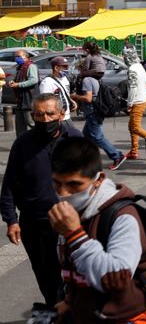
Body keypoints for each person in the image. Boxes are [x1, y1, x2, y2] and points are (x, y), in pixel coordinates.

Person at [49, 136, 146, 323]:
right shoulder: (72, 213)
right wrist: (70, 301)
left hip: (127, 317)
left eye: (74, 185)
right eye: (57, 183)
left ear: (98, 180)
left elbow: (117, 278)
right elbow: (73, 268)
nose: (63, 194)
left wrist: (74, 235)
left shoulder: (123, 216)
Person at [0, 94, 81, 320]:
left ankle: (68, 312)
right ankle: (56, 310)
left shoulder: (75, 139)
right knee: (45, 275)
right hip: (35, 223)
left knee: (72, 276)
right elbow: (9, 185)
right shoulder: (23, 144)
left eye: (50, 114)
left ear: (61, 114)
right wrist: (11, 220)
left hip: (71, 222)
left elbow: (93, 180)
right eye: (38, 114)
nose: (44, 119)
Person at [70, 69, 126, 171]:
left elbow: (88, 98)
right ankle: (85, 160)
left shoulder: (87, 80)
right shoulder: (94, 79)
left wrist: (75, 96)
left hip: (93, 112)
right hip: (95, 111)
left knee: (98, 137)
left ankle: (117, 156)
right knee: (86, 138)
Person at [122, 46, 146, 160]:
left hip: (137, 101)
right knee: (132, 126)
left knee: (135, 128)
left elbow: (133, 88)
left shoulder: (132, 70)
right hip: (142, 99)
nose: (124, 58)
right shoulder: (140, 66)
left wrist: (129, 103)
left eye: (125, 56)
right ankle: (134, 151)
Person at [8, 49, 38, 136]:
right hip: (20, 100)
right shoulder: (19, 67)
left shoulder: (31, 66)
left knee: (31, 122)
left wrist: (19, 85)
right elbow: (18, 79)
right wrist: (12, 82)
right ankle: (21, 144)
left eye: (19, 56)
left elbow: (33, 80)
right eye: (16, 56)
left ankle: (40, 141)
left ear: (26, 57)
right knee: (20, 125)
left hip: (29, 99)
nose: (17, 58)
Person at [39, 56, 77, 121]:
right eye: (64, 66)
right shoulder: (47, 82)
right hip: (57, 119)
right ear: (56, 68)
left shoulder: (65, 79)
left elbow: (65, 94)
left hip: (66, 116)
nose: (67, 69)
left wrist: (71, 101)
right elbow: (46, 102)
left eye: (67, 66)